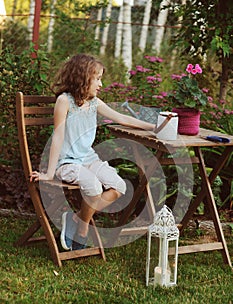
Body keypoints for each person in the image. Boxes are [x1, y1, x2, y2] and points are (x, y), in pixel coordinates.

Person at [30, 53, 155, 251]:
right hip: (68, 163)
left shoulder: (95, 103)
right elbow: (58, 137)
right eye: (97, 78)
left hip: (89, 160)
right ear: (82, 78)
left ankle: (76, 218)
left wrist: (154, 127)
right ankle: (82, 231)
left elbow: (123, 119)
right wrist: (49, 173)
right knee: (94, 186)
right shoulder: (64, 101)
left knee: (119, 186)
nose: (101, 84)